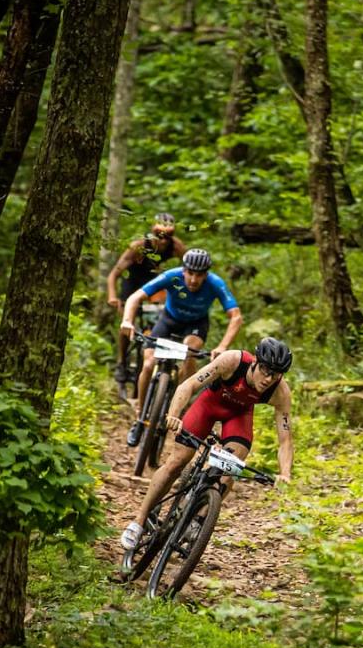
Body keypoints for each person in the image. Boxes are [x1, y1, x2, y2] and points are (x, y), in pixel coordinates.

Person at [119, 337, 295, 552]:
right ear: (255, 362)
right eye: (265, 370)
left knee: (230, 470)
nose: (268, 379)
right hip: (208, 407)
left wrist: (285, 473)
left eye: (276, 374)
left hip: (238, 417)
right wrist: (173, 415)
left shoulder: (280, 392)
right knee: (176, 462)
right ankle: (139, 520)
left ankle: (197, 521)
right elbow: (189, 384)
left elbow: (285, 439)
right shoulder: (232, 361)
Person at [120, 247, 244, 445]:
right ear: (183, 270)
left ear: (206, 274)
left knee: (190, 351)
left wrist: (222, 346)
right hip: (169, 320)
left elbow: (236, 317)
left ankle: (180, 400)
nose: (194, 279)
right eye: (190, 273)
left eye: (199, 275)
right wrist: (127, 321)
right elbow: (135, 297)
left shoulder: (215, 283)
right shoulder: (172, 276)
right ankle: (140, 417)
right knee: (148, 364)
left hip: (196, 325)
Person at [105, 213, 186, 384]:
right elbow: (114, 274)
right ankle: (122, 362)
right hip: (133, 283)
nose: (163, 241)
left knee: (165, 312)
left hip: (154, 283)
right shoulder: (138, 246)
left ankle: (159, 351)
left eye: (168, 236)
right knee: (128, 321)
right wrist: (112, 296)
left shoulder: (176, 247)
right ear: (152, 232)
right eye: (159, 235)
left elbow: (189, 270)